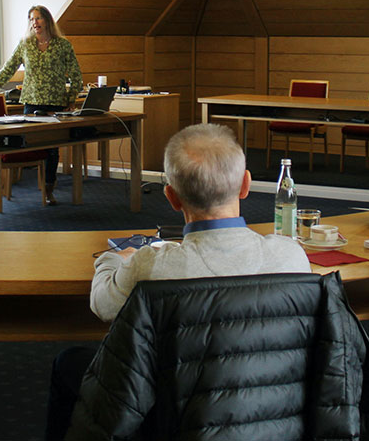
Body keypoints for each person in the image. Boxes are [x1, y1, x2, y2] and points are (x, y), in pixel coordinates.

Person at [47, 123, 310, 440]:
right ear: (245, 185)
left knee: (69, 363)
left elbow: (101, 304)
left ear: (171, 197)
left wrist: (113, 259)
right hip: (279, 415)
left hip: (178, 415)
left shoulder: (152, 267)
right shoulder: (292, 257)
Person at [0, 5, 83, 205]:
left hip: (55, 104)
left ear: (46, 20)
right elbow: (8, 69)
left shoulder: (63, 45)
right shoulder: (25, 44)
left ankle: (49, 189)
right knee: (29, 145)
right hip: (31, 103)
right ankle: (18, 186)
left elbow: (76, 76)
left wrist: (71, 99)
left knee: (52, 151)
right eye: (31, 19)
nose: (34, 23)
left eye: (38, 18)